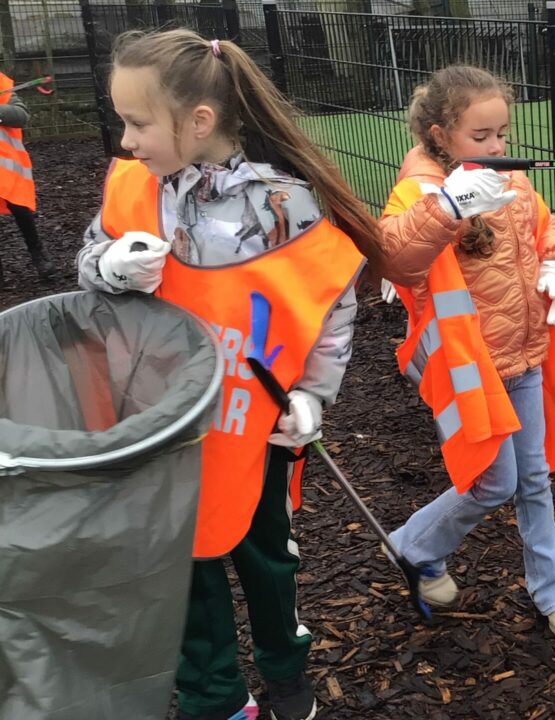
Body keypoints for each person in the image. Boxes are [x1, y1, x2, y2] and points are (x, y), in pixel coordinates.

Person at [77, 29, 379, 720]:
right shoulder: (132, 186)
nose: (125, 141)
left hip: (250, 423)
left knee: (267, 557)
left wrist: (311, 394)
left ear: (199, 121)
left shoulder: (284, 206)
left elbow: (333, 298)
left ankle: (285, 670)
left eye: (137, 122)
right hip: (158, 420)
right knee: (181, 567)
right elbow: (90, 254)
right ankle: (214, 695)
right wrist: (109, 265)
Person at [371, 66, 555, 638]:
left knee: (536, 477)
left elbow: (547, 224)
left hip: (524, 352)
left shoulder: (510, 176)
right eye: (482, 136)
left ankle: (554, 590)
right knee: (495, 482)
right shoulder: (419, 189)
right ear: (441, 134)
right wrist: (447, 207)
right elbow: (395, 255)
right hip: (471, 367)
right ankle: (412, 546)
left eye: (503, 134)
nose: (497, 147)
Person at [0, 70, 53, 285]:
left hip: (5, 170)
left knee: (20, 209)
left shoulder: (1, 83)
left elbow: (21, 116)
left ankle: (39, 256)